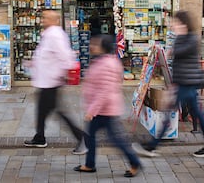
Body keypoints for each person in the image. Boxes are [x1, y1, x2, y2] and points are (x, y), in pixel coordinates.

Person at [132, 10, 204, 158]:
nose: (173, 26)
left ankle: (152, 146)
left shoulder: (191, 39)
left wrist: (171, 51)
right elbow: (176, 62)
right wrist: (173, 85)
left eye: (176, 23)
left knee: (169, 113)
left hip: (188, 83)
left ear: (183, 24)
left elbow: (178, 53)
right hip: (182, 83)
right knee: (196, 115)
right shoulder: (181, 38)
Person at [73, 35, 142, 178]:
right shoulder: (103, 61)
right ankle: (90, 164)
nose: (92, 46)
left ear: (103, 47)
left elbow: (105, 91)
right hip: (102, 109)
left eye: (96, 44)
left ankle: (134, 162)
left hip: (105, 110)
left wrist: (92, 110)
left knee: (115, 139)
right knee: (91, 135)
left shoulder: (107, 64)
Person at [24, 10, 87, 155]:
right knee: (41, 110)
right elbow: (45, 55)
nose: (42, 20)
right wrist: (33, 63)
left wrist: (66, 74)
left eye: (45, 18)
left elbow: (66, 56)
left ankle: (82, 138)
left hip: (51, 81)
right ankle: (39, 137)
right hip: (45, 80)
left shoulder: (55, 35)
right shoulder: (48, 34)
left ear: (54, 20)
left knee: (58, 112)